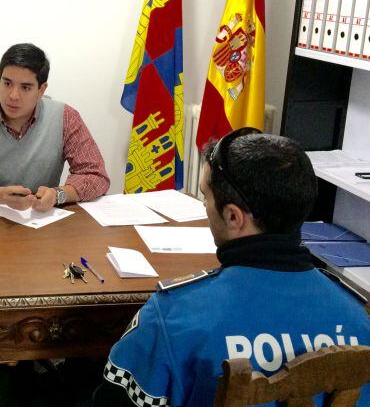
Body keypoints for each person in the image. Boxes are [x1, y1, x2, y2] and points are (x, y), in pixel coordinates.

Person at [93, 128, 370, 406]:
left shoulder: (173, 316)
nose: (204, 206)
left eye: (206, 196)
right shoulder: (359, 318)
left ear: (233, 217)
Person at [0, 43, 110, 211]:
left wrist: (58, 195)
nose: (13, 95)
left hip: (40, 219)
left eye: (25, 87)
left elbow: (96, 176)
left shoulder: (66, 118)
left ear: (41, 89)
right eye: (7, 83)